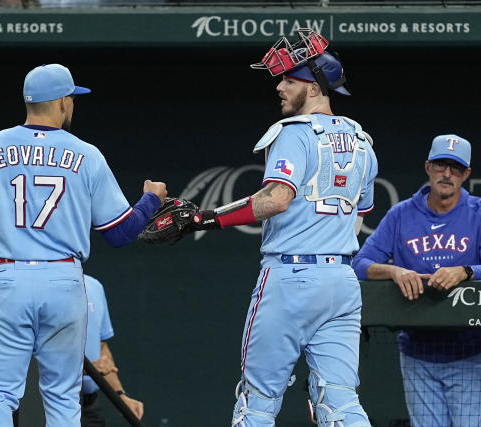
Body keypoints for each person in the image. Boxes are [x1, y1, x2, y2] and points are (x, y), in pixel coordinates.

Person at [0, 63, 166, 427]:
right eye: (72, 98)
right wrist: (150, 200)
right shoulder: (87, 154)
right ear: (63, 102)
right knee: (63, 398)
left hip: (7, 278)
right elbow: (118, 233)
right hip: (65, 282)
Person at [190, 29, 377, 426]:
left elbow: (276, 199)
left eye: (289, 79)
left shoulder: (293, 133)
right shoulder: (363, 142)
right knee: (339, 403)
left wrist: (207, 218)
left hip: (290, 277)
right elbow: (363, 211)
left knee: (257, 401)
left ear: (311, 88)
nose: (279, 87)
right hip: (341, 280)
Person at [352, 134, 481, 427]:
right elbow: (359, 264)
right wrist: (395, 271)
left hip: (470, 352)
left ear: (466, 175)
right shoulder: (402, 215)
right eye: (441, 166)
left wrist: (465, 271)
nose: (447, 174)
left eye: (455, 168)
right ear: (428, 167)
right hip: (418, 353)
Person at [82, 275, 144, 426]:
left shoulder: (95, 286)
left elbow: (102, 347)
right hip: (52, 405)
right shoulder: (40, 289)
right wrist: (85, 370)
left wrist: (120, 395)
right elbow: (34, 358)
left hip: (89, 405)